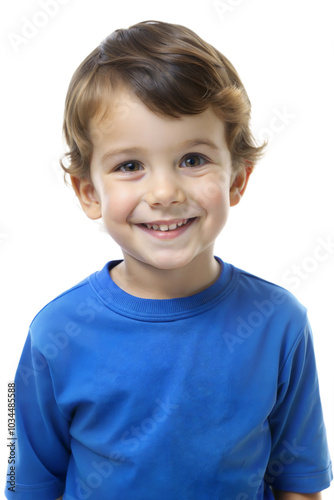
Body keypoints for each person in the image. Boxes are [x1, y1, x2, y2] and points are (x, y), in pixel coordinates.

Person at [5, 20, 332, 500]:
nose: (164, 193)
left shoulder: (280, 323)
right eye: (130, 166)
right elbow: (25, 482)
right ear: (89, 192)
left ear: (237, 179)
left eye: (193, 159)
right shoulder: (52, 333)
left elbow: (299, 484)